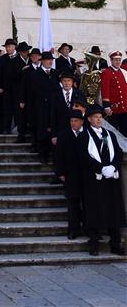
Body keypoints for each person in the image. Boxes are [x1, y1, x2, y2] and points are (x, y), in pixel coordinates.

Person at [78, 104, 125, 256]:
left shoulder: (109, 135)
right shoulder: (84, 136)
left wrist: (113, 167)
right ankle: (94, 244)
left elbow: (118, 153)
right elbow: (83, 156)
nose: (98, 119)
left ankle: (115, 243)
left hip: (111, 179)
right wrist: (100, 168)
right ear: (89, 119)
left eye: (100, 117)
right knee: (94, 211)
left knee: (114, 211)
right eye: (95, 117)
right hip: (94, 180)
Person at [54, 109, 85, 239]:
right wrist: (60, 172)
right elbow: (58, 155)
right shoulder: (64, 135)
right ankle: (73, 230)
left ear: (82, 122)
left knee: (88, 203)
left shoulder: (87, 134)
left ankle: (90, 229)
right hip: (70, 174)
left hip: (86, 175)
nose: (73, 123)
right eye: (71, 121)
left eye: (76, 121)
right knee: (72, 204)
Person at [100, 50, 127, 136]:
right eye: (115, 60)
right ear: (111, 60)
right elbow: (105, 90)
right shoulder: (106, 72)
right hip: (113, 108)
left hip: (124, 107)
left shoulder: (123, 72)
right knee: (114, 131)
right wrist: (106, 106)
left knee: (125, 130)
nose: (118, 62)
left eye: (119, 60)